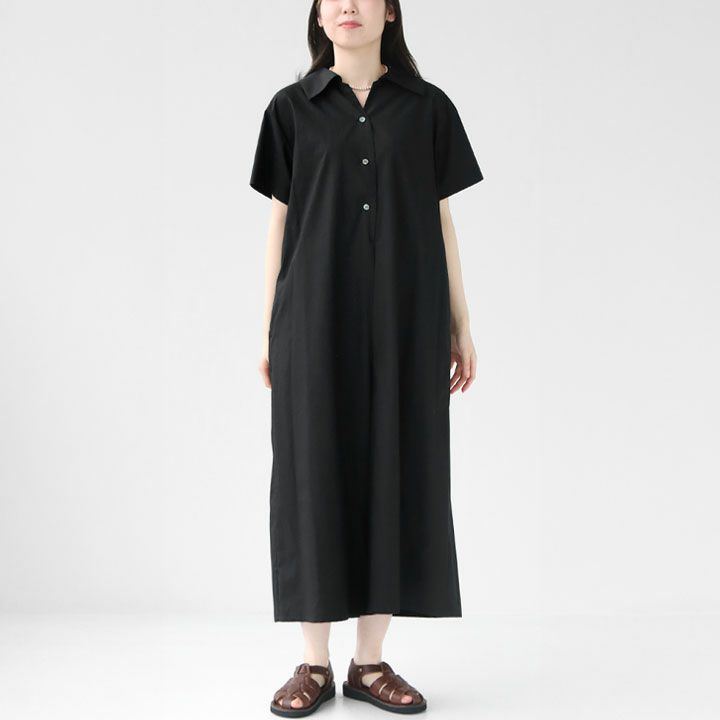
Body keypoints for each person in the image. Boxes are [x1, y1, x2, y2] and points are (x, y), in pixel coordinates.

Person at [250, 1, 484, 715]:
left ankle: (370, 662)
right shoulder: (291, 109)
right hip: (312, 317)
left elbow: (442, 219)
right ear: (319, 16)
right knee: (312, 471)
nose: (348, 5)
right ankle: (313, 664)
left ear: (390, 11)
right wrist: (268, 329)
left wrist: (461, 323)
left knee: (395, 467)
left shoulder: (427, 108)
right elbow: (279, 221)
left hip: (407, 318)